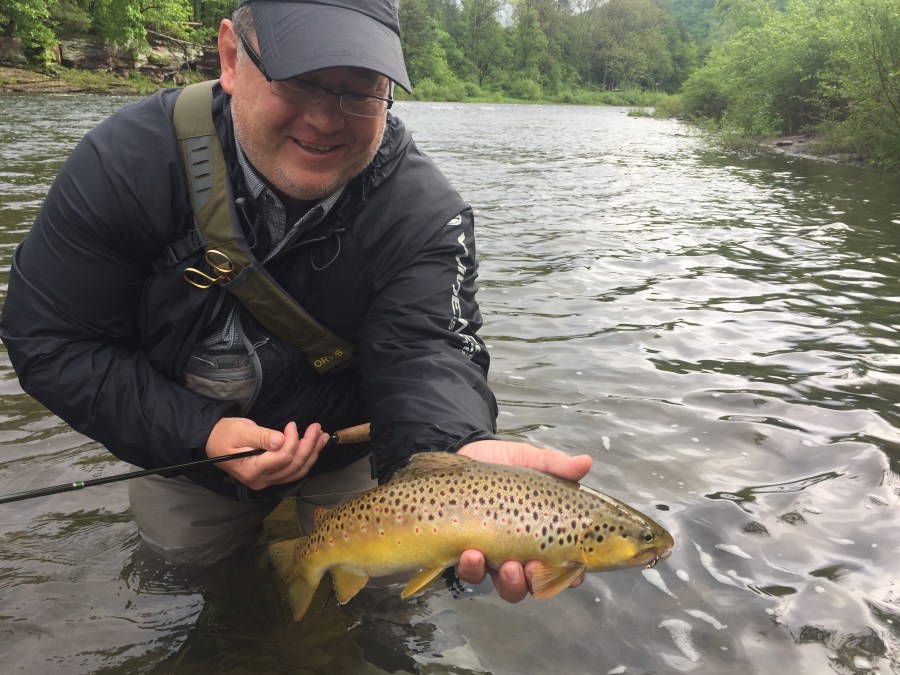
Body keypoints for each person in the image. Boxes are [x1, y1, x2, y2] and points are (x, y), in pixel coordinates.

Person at [0, 0, 591, 604]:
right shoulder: (125, 165)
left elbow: (427, 350)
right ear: (231, 57)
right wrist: (197, 434)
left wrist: (457, 450)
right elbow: (51, 340)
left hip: (348, 453)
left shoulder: (424, 215)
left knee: (392, 601)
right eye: (299, 80)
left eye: (360, 90)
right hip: (185, 448)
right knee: (177, 584)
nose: (326, 119)